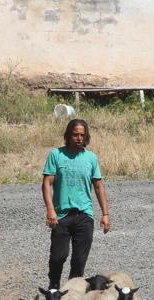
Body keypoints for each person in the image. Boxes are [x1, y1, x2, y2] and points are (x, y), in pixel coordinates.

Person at [42, 119, 111, 289]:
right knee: (58, 256)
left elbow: (98, 185)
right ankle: (54, 286)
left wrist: (105, 214)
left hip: (84, 216)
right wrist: (50, 210)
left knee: (79, 261)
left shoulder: (91, 158)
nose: (79, 138)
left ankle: (72, 293)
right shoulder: (56, 155)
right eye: (75, 134)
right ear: (68, 135)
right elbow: (46, 184)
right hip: (61, 216)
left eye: (82, 135)